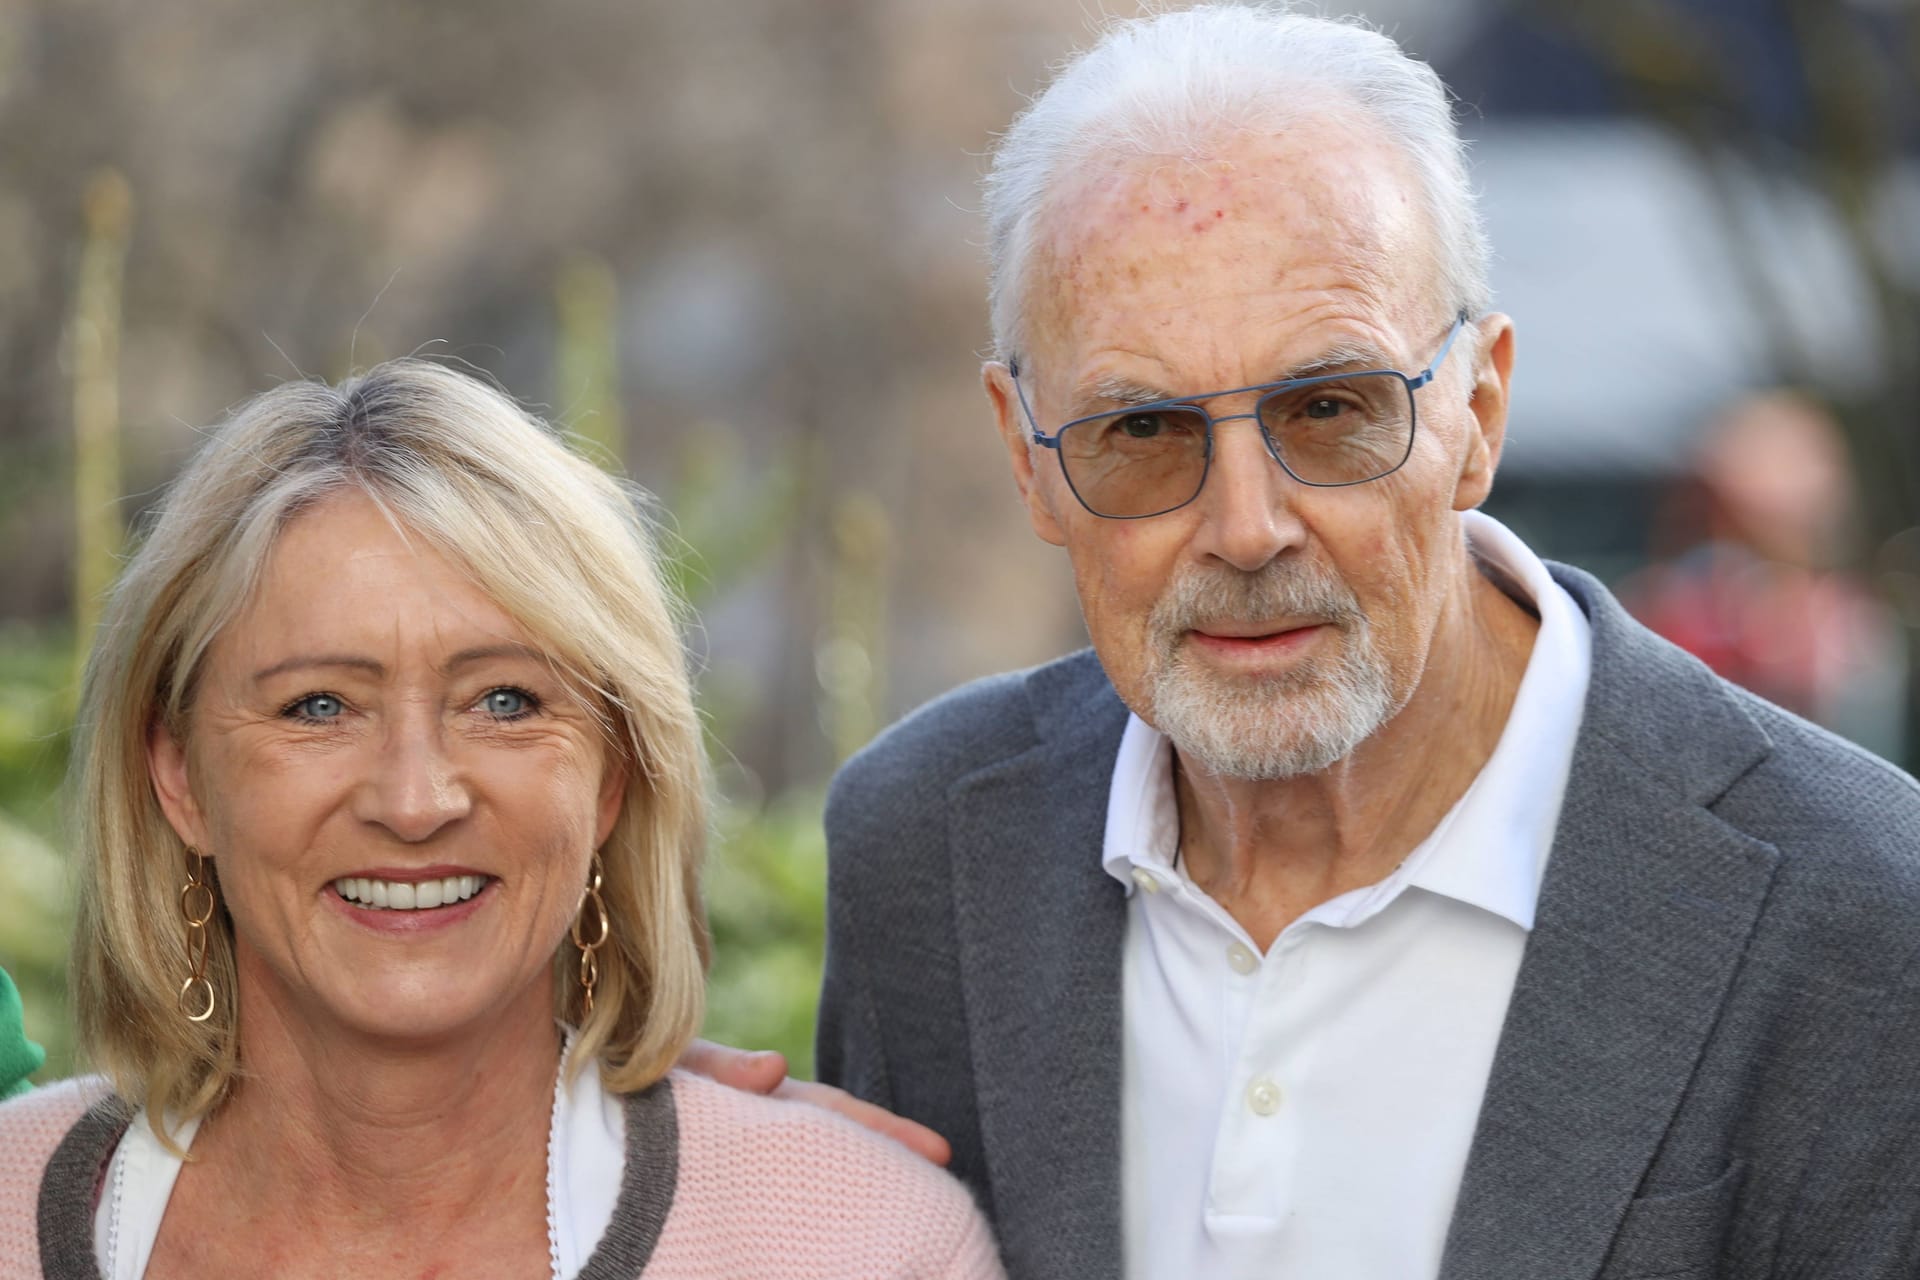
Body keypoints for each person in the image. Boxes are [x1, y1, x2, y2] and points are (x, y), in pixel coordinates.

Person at [806, 7, 1920, 1280]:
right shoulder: (926, 849)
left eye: (1330, 409)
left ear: (1479, 413)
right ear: (1026, 455)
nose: (1245, 526)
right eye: (1147, 431)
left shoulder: (1867, 911)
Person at [0, 360, 1003, 1278]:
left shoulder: (863, 1244)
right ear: (177, 774)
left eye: (505, 701)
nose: (415, 798)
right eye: (318, 705)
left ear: (614, 770)